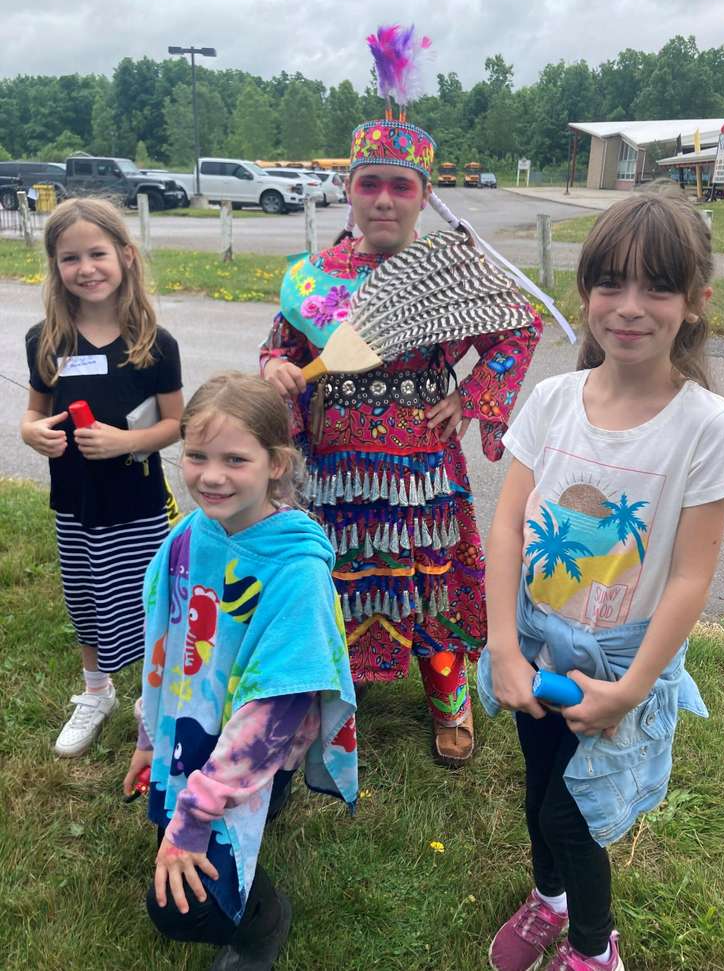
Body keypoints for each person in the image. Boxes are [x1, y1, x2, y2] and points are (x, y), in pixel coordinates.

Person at [479, 188, 724, 971]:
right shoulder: (554, 400)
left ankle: (594, 949)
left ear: (695, 302)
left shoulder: (705, 427)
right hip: (533, 642)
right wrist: (502, 646)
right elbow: (507, 526)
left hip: (621, 660)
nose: (629, 307)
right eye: (610, 284)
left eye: (657, 287)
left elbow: (693, 576)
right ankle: (548, 900)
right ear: (585, 291)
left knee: (574, 814)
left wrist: (630, 689)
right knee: (537, 792)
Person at [261, 118, 542, 766]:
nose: (384, 198)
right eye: (370, 183)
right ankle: (336, 680)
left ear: (423, 192)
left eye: (399, 184)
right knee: (339, 574)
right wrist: (276, 365)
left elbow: (520, 325)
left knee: (431, 580)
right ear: (349, 190)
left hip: (421, 471)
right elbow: (283, 343)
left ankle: (448, 696)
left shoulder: (452, 268)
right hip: (331, 467)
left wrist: (471, 397)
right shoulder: (312, 278)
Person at [124, 372, 357, 971]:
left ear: (276, 463)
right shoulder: (187, 535)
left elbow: (273, 713)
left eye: (235, 459)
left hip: (254, 748)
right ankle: (239, 810)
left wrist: (195, 817)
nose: (210, 476)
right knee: (172, 829)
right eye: (196, 456)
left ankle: (263, 919)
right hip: (189, 732)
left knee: (185, 909)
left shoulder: (295, 572)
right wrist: (151, 738)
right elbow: (165, 644)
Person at [21, 197, 183, 757]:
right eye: (70, 258)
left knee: (146, 601)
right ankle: (96, 691)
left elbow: (176, 423)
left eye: (97, 253)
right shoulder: (46, 341)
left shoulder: (155, 344)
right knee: (87, 597)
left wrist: (126, 442)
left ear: (126, 256)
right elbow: (34, 411)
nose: (86, 268)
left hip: (138, 502)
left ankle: (151, 696)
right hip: (74, 502)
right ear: (55, 268)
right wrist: (30, 433)